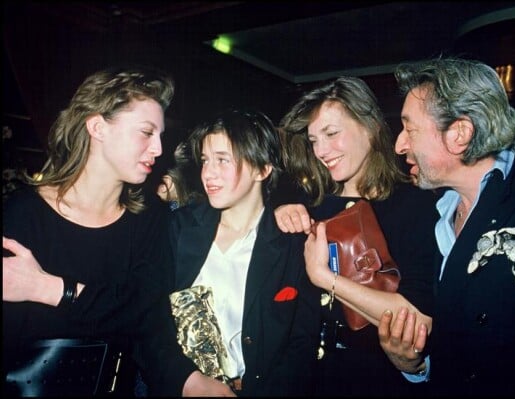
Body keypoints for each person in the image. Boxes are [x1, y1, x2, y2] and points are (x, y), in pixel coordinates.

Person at [369, 56, 515, 397]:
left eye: (410, 128)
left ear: (459, 134)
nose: (399, 144)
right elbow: (458, 349)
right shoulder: (436, 217)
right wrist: (416, 367)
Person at [2, 66, 202, 396]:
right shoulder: (23, 215)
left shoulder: (149, 221)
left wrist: (49, 289)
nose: (158, 149)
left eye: (160, 136)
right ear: (98, 127)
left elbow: (146, 318)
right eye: (146, 132)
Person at [274, 76, 440, 396]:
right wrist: (278, 217)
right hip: (310, 379)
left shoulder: (414, 205)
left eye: (332, 134)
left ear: (370, 126)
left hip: (378, 380)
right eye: (313, 140)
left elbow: (415, 318)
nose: (321, 150)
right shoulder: (313, 209)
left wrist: (326, 278)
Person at [167, 109, 320, 396]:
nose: (208, 174)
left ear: (263, 169)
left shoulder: (291, 243)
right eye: (205, 161)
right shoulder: (180, 229)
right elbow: (151, 321)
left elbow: (302, 344)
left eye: (222, 160)